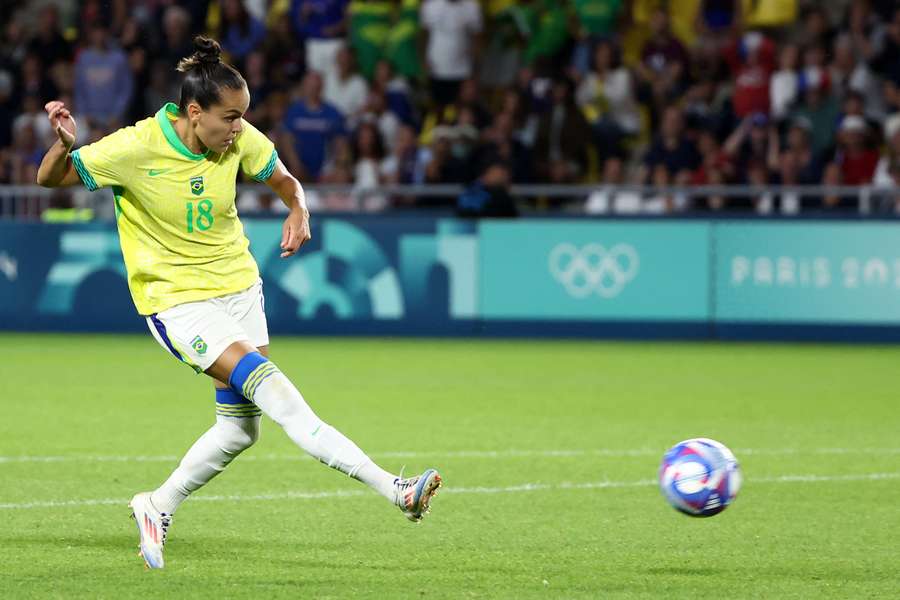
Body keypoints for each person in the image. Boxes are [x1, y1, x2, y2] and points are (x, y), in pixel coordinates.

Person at [35, 36, 442, 570]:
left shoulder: (235, 136)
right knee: (280, 399)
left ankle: (155, 506)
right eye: (230, 118)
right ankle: (395, 489)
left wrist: (299, 208)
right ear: (194, 112)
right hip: (178, 302)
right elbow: (49, 179)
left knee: (239, 428)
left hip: (240, 288)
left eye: (242, 117)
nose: (238, 129)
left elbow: (284, 179)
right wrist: (65, 144)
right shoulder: (134, 148)